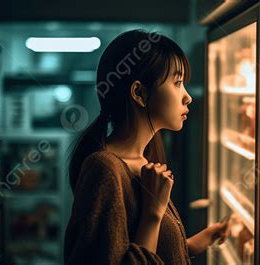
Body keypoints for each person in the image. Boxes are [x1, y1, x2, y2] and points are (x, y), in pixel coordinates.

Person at [64, 29, 230, 264]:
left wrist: (193, 244)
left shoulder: (142, 162)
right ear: (139, 93)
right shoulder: (104, 169)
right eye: (177, 82)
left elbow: (143, 248)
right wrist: (153, 214)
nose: (187, 97)